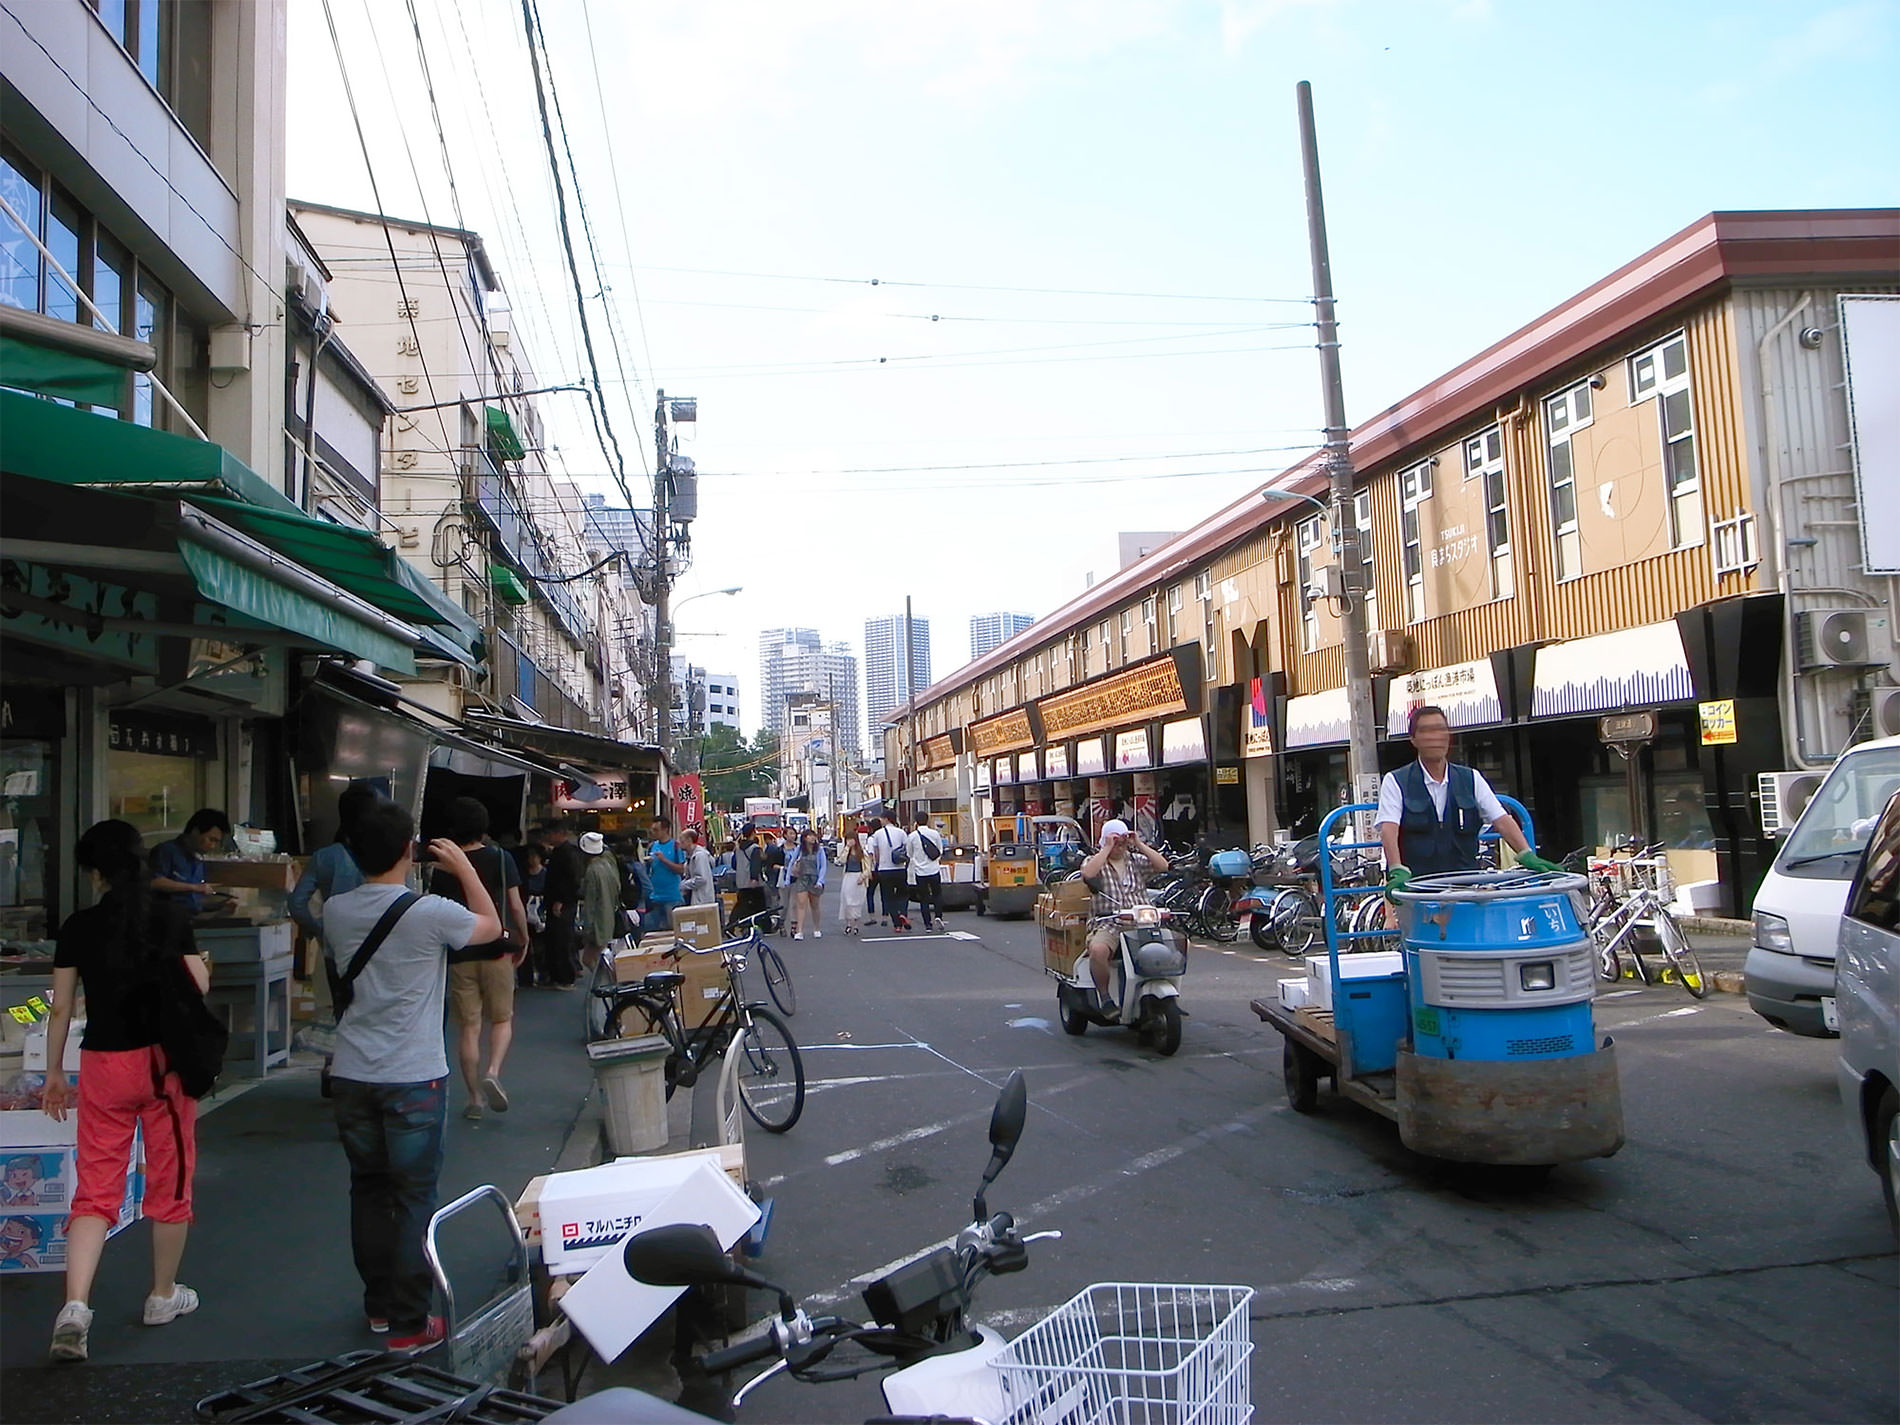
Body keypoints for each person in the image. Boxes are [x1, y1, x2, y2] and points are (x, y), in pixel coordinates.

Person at [323, 799, 500, 1349]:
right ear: (410, 850)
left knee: (368, 1191)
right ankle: (409, 1320)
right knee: (414, 1195)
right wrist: (466, 868)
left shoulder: (336, 910)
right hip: (414, 1074)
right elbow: (491, 928)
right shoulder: (429, 913)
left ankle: (379, 1307)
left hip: (352, 1071)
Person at [42, 819, 213, 1362]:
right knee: (171, 1180)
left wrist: (52, 1074)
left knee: (96, 1186)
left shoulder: (78, 926)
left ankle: (75, 1306)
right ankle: (162, 1296)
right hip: (162, 1067)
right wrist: (202, 966)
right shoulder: (168, 916)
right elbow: (198, 986)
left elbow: (62, 1007)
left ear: (95, 873)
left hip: (101, 1064)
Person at [1376, 705, 1558, 893]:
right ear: (1413, 739)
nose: (1435, 737)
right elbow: (1389, 828)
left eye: (1440, 729)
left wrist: (1526, 853)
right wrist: (1397, 867)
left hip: (1464, 884)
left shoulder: (1471, 778)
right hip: (1418, 887)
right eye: (1427, 731)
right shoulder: (1396, 780)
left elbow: (1501, 820)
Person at [430, 798, 530, 1122]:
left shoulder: (443, 863)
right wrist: (524, 937)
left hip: (460, 953)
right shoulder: (501, 858)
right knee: (502, 1019)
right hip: (496, 948)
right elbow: (515, 906)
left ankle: (474, 1097)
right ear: (484, 825)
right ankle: (493, 1070)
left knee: (469, 1028)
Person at [290, 780, 383, 1095]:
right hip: (378, 949)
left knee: (337, 1007)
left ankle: (334, 1067)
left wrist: (319, 929)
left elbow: (296, 902)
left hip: (335, 949)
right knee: (372, 1011)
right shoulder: (384, 854)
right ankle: (367, 1073)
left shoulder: (326, 856)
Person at [1078, 818, 1169, 1013]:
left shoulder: (1135, 860)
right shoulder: (1097, 861)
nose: (1119, 847)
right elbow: (1088, 874)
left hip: (1141, 922)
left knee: (1176, 946)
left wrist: (1138, 843)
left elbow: (1163, 866)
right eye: (1116, 843)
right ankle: (1104, 997)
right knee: (1098, 950)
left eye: (1122, 843)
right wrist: (1106, 847)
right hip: (1108, 922)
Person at [148, 809, 236, 917]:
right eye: (211, 839)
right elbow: (154, 882)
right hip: (167, 920)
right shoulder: (167, 851)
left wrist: (219, 906)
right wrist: (194, 887)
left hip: (190, 921)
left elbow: (194, 901)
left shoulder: (198, 858)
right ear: (195, 831)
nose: (212, 846)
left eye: (216, 842)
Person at [538, 821, 585, 989]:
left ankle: (566, 977)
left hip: (563, 902)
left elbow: (572, 880)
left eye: (551, 833)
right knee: (554, 939)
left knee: (562, 940)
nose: (549, 837)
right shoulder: (559, 851)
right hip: (555, 900)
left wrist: (561, 900)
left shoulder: (568, 853)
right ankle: (556, 975)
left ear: (560, 833)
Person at [579, 831, 622, 969]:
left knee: (591, 960)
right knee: (600, 959)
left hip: (597, 923)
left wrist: (587, 928)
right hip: (608, 918)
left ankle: (606, 985)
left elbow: (590, 903)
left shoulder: (592, 870)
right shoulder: (608, 865)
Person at [866, 814, 912, 932]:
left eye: (882, 818)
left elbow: (876, 853)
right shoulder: (901, 832)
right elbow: (906, 850)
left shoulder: (878, 834)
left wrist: (877, 865)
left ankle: (897, 924)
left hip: (884, 869)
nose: (880, 821)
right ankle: (903, 913)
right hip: (900, 868)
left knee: (888, 897)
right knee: (903, 893)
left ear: (886, 819)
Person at [644, 817, 685, 934]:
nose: (653, 832)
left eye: (656, 830)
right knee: (652, 933)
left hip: (672, 897)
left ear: (665, 829)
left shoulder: (676, 846)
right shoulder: (652, 846)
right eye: (652, 829)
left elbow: (681, 870)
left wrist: (664, 860)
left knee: (674, 932)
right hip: (654, 896)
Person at [906, 813, 947, 931]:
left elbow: (909, 853)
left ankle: (928, 925)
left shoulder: (912, 836)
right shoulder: (934, 834)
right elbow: (940, 850)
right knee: (937, 895)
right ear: (928, 821)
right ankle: (938, 916)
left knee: (924, 898)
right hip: (934, 869)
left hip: (920, 872)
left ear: (916, 822)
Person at [785, 830, 827, 940]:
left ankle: (816, 928)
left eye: (813, 836)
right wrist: (787, 879)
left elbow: (823, 866)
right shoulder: (799, 850)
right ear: (804, 838)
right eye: (809, 836)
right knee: (801, 904)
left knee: (815, 905)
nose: (812, 838)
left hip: (814, 878)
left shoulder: (819, 850)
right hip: (802, 878)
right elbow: (791, 863)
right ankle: (799, 931)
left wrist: (820, 881)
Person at [515, 845, 547, 989]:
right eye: (530, 857)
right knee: (525, 943)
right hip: (526, 909)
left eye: (534, 856)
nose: (532, 860)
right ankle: (525, 977)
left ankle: (543, 974)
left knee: (541, 945)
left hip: (540, 910)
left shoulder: (545, 873)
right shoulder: (523, 874)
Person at [730, 827, 768, 930]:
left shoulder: (738, 848)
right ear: (753, 833)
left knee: (742, 903)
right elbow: (756, 863)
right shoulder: (755, 848)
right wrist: (754, 878)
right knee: (760, 904)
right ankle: (765, 926)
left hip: (741, 880)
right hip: (753, 881)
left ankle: (733, 925)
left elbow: (734, 864)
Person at [679, 829, 719, 923]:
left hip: (702, 900)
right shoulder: (690, 856)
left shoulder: (699, 856)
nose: (679, 843)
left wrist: (683, 885)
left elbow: (702, 879)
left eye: (682, 840)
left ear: (689, 840)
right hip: (697, 899)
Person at [839, 832, 868, 935]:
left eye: (852, 839)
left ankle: (856, 925)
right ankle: (848, 924)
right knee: (847, 901)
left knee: (857, 902)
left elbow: (868, 867)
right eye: (848, 839)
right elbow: (841, 861)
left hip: (858, 877)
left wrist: (863, 877)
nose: (850, 841)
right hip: (848, 877)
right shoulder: (845, 851)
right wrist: (847, 848)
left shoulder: (862, 852)